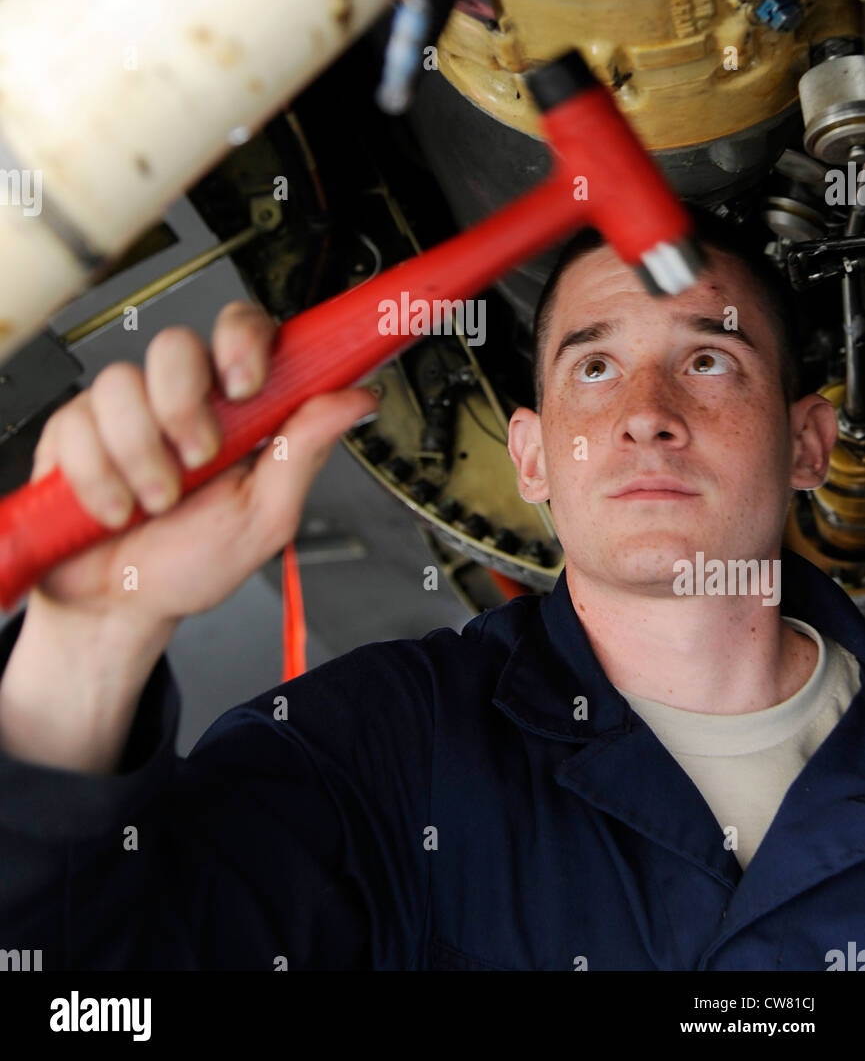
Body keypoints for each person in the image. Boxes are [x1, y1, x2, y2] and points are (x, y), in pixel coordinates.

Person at [0, 208, 862, 972]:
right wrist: (91, 640)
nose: (646, 411)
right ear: (531, 457)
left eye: (708, 359)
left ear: (807, 444)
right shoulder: (384, 746)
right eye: (593, 367)